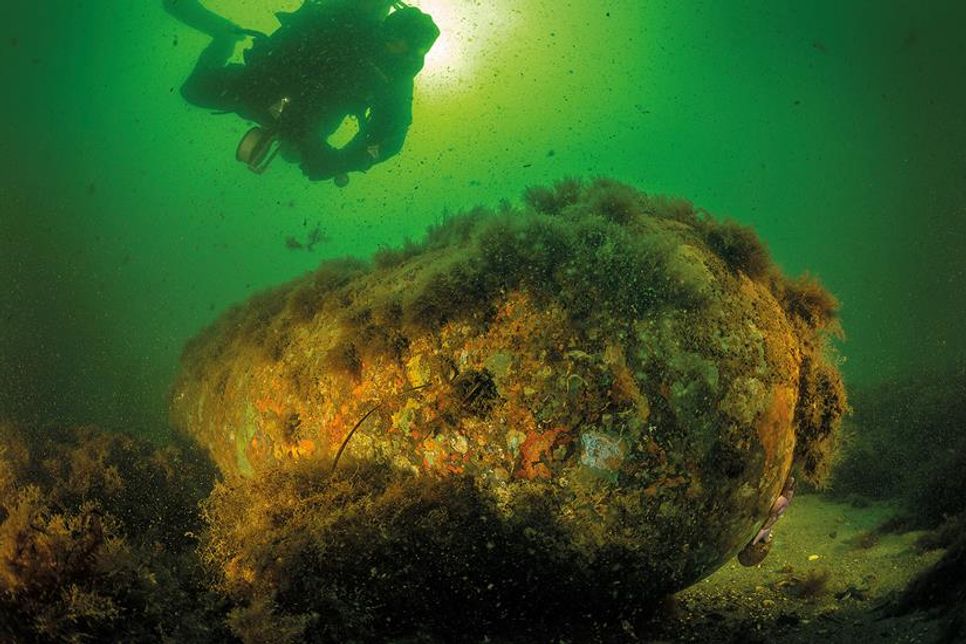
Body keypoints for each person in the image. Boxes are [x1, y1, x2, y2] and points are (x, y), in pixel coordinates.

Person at [164, 0, 439, 185]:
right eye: (388, 33)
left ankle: (292, 140)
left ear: (413, 52)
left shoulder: (396, 79)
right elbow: (286, 47)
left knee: (294, 155)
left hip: (311, 120)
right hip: (267, 82)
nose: (385, 42)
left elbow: (391, 135)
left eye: (396, 43)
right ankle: (223, 36)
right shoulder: (346, 23)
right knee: (193, 90)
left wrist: (339, 161)